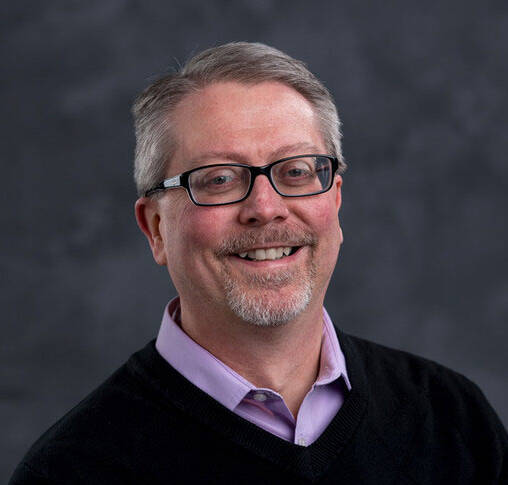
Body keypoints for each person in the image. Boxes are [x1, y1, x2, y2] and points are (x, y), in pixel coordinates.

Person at [10, 42, 507, 484]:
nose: (266, 208)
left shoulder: (452, 418)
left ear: (334, 201)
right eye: (219, 179)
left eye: (294, 171)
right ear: (156, 228)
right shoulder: (72, 469)